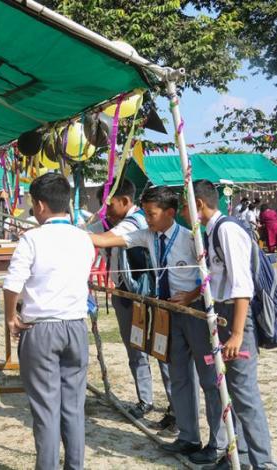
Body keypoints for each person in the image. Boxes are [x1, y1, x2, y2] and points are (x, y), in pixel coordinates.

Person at [91, 186, 229, 466]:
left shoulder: (191, 238)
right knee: (178, 375)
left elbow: (213, 275)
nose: (147, 219)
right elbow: (108, 239)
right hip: (167, 313)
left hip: (195, 313)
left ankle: (218, 443)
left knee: (208, 380)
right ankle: (188, 436)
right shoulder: (147, 235)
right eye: (145, 213)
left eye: (151, 214)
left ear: (170, 213)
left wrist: (191, 295)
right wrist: (68, 233)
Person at [3, 173, 95, 470]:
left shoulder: (32, 238)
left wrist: (10, 317)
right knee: (74, 406)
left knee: (46, 409)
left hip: (42, 329)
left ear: (40, 205)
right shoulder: (84, 238)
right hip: (75, 326)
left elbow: (11, 285)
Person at [188, 180, 275, 470]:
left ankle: (263, 463)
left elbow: (242, 286)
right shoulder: (211, 231)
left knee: (244, 394)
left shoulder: (227, 229)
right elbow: (217, 276)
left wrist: (237, 333)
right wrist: (191, 295)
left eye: (186, 205)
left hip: (237, 317)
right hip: (222, 314)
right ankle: (239, 456)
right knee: (230, 391)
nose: (184, 212)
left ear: (198, 204)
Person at [89, 180, 175, 434]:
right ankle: (145, 399)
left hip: (153, 297)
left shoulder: (135, 222)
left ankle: (175, 408)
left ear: (125, 201)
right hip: (126, 296)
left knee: (162, 352)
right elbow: (91, 232)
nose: (105, 211)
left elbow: (103, 239)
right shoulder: (113, 222)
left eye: (108, 205)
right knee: (135, 348)